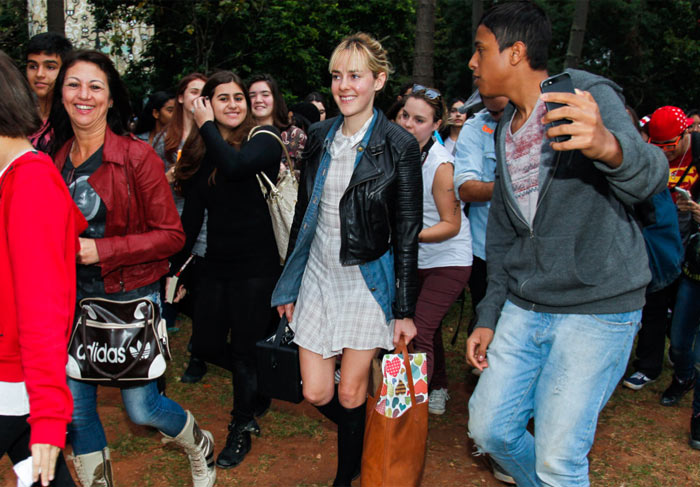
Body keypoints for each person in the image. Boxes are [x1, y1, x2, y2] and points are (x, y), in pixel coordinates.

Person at [464, 3, 667, 486]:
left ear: (515, 53)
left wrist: (608, 148)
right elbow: (504, 230)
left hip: (597, 309)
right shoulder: (505, 128)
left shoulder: (583, 94)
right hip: (526, 303)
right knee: (489, 431)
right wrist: (489, 313)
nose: (472, 63)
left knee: (559, 459)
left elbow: (651, 176)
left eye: (481, 49)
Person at [47, 50, 215, 487]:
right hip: (69, 301)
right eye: (74, 84)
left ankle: (200, 444)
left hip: (127, 297)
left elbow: (171, 235)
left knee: (142, 409)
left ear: (110, 98)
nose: (83, 95)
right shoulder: (54, 158)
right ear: (61, 93)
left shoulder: (137, 156)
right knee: (78, 412)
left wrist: (101, 251)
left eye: (95, 86)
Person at [271, 33, 422, 487]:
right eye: (337, 75)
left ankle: (345, 476)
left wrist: (404, 309)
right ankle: (364, 432)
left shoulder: (400, 145)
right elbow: (303, 216)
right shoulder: (318, 136)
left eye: (355, 75)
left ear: (378, 80)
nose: (344, 85)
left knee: (352, 390)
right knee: (317, 391)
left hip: (366, 280)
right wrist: (290, 285)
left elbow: (408, 232)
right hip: (317, 275)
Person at [174, 70, 283, 469]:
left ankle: (241, 425)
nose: (235, 104)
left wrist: (205, 126)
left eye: (239, 97)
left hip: (257, 266)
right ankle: (256, 381)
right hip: (216, 264)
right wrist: (175, 264)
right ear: (209, 103)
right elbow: (193, 216)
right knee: (204, 344)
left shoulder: (264, 141)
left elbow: (236, 167)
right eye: (223, 98)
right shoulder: (204, 150)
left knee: (242, 351)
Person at [0, 49, 84, 487]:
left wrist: (50, 417)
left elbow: (43, 309)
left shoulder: (30, 185)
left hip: (13, 384)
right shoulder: (12, 178)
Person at [397, 86, 472, 416]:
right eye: (404, 115)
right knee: (429, 326)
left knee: (420, 329)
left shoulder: (441, 165)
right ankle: (438, 386)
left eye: (419, 119)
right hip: (416, 259)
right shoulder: (397, 152)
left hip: (448, 259)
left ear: (436, 124)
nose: (408, 124)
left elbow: (451, 225)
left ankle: (410, 406)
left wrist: (407, 238)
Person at [153, 73, 209, 382]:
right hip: (169, 225)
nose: (198, 97)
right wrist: (171, 177)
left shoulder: (211, 136)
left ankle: (198, 356)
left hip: (203, 228)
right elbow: (149, 188)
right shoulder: (163, 140)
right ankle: (156, 353)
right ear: (180, 97)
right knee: (169, 290)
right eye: (193, 91)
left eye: (204, 92)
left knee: (199, 293)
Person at [454, 94, 508, 335]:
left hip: (535, 255)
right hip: (483, 249)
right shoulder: (477, 127)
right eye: (495, 114)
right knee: (486, 322)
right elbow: (466, 188)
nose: (502, 119)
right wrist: (520, 187)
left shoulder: (549, 119)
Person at [248, 73, 306, 173]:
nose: (258, 100)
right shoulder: (242, 135)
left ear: (275, 98)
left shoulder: (294, 136)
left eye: (265, 95)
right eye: (252, 96)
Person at [25, 32, 73, 152]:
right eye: (33, 66)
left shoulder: (73, 119)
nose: (39, 74)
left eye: (50, 67)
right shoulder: (19, 116)